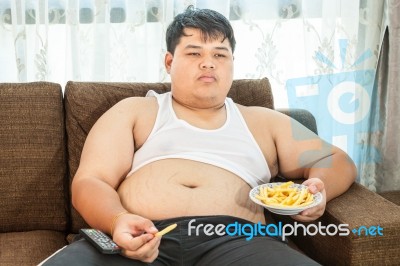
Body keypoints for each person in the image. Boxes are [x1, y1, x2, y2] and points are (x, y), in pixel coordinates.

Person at [43, 6, 356, 266]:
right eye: (194, 52)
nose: (209, 62)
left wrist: (318, 188)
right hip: (140, 239)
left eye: (220, 54)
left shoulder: (263, 122)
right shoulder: (135, 112)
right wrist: (117, 221)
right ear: (170, 62)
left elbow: (335, 159)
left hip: (240, 242)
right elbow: (90, 182)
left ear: (232, 64)